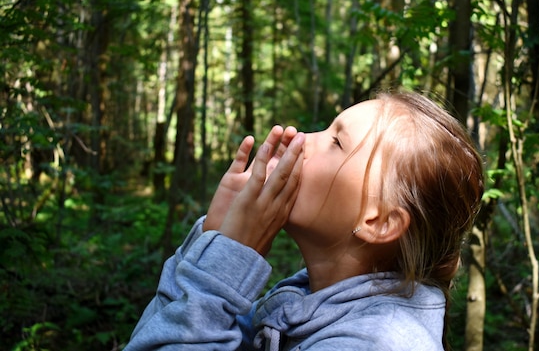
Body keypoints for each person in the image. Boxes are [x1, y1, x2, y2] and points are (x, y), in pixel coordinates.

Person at [126, 90, 484, 351]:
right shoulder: (296, 305)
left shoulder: (377, 342)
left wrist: (222, 269)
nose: (299, 138)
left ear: (379, 222)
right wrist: (214, 241)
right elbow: (155, 338)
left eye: (335, 143)